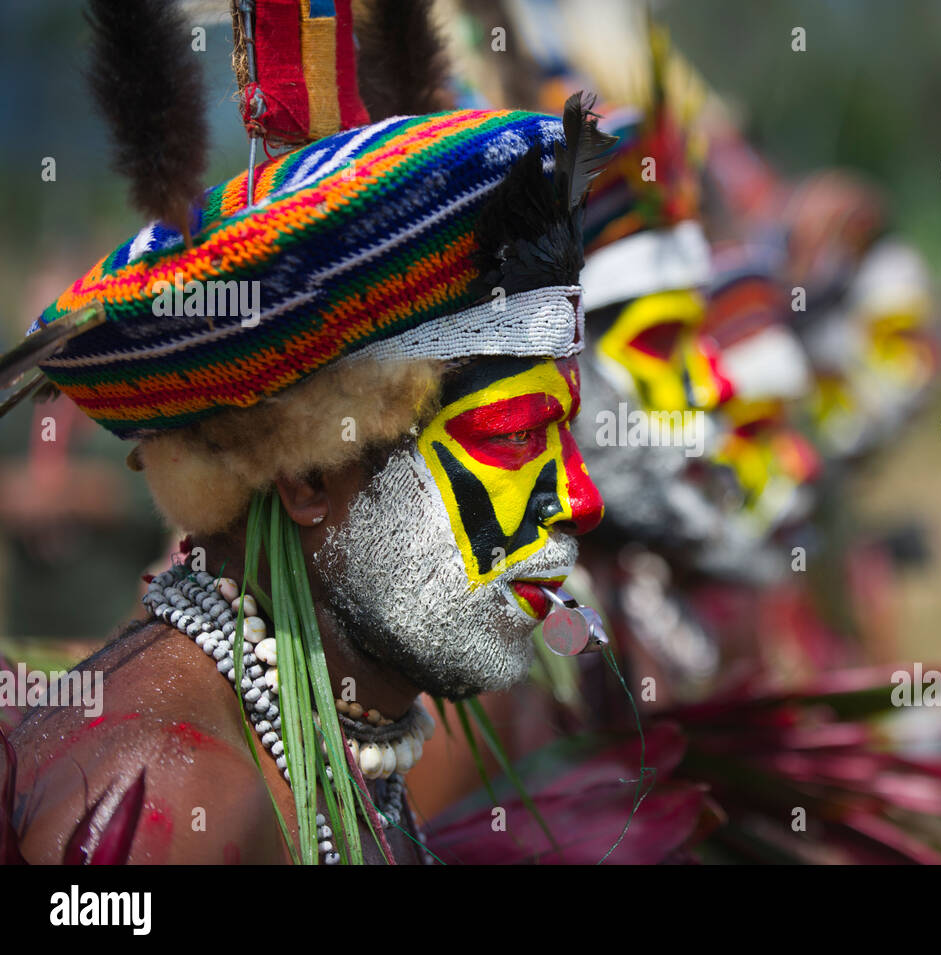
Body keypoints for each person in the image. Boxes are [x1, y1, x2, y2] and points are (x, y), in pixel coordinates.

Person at [1, 0, 614, 864]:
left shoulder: (329, 736)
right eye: (515, 439)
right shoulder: (164, 795)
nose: (581, 501)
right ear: (310, 479)